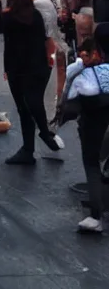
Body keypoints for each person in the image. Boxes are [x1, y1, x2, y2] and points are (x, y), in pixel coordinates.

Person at [3, 0, 64, 165]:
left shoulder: (8, 18)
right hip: (38, 67)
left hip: (17, 68)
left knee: (23, 108)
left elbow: (8, 45)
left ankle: (28, 148)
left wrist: (6, 69)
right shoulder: (36, 17)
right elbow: (46, 39)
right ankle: (44, 132)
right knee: (35, 101)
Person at [63, 27, 109, 233]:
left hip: (94, 125)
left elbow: (71, 105)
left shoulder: (86, 72)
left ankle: (96, 216)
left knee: (92, 164)